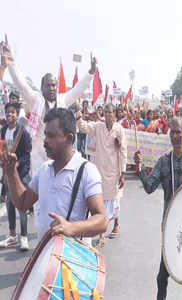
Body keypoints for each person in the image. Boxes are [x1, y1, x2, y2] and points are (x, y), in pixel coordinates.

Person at [0, 108, 107, 242]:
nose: (45, 141)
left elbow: (102, 220)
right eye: (45, 135)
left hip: (72, 260)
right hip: (45, 257)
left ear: (69, 139)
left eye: (51, 136)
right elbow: (22, 203)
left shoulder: (87, 171)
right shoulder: (44, 169)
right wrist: (11, 172)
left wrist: (71, 227)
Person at [134, 117, 182, 300]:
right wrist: (140, 168)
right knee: (162, 276)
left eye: (178, 132)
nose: (175, 135)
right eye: (172, 131)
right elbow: (149, 187)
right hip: (170, 227)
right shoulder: (163, 161)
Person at [1, 39, 97, 174]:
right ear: (42, 87)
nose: (52, 88)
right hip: (39, 155)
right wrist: (10, 61)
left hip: (59, 153)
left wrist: (91, 73)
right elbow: (20, 82)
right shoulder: (35, 99)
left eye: (54, 85)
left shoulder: (62, 99)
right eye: (49, 85)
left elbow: (77, 90)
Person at [76, 103, 127, 247]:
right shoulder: (98, 127)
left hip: (114, 171)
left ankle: (116, 224)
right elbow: (84, 127)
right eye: (106, 112)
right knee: (100, 202)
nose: (108, 115)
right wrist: (79, 118)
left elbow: (123, 152)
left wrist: (123, 173)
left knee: (115, 200)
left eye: (110, 112)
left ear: (115, 114)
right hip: (99, 170)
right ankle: (101, 234)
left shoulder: (119, 130)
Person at [0, 102, 31, 250]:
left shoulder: (23, 131)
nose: (10, 115)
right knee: (9, 204)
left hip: (21, 174)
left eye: (13, 112)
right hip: (7, 174)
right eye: (7, 113)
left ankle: (23, 236)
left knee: (21, 205)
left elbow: (26, 155)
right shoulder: (3, 130)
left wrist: (17, 165)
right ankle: (12, 235)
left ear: (17, 115)